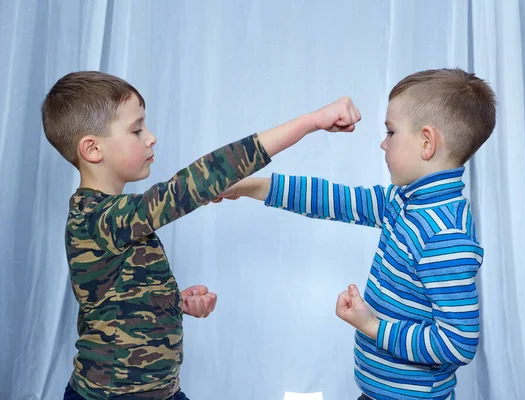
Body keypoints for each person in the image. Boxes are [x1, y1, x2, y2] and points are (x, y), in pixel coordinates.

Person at [41, 70, 361, 400]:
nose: (151, 137)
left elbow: (112, 301)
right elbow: (193, 184)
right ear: (93, 149)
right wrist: (312, 121)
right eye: (136, 130)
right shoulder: (100, 217)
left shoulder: (112, 216)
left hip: (160, 390)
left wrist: (173, 303)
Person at [218, 68, 496, 399]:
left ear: (426, 142)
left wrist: (371, 326)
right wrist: (250, 187)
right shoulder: (403, 202)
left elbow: (458, 343)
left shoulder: (443, 235)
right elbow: (335, 200)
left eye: (390, 132)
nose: (383, 142)